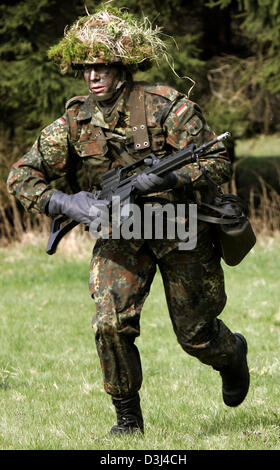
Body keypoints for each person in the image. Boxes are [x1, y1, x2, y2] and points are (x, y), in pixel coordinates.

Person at [7, 6, 249, 435]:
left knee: (196, 336)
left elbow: (216, 162)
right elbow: (21, 177)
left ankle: (231, 355)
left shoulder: (165, 106)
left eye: (102, 66)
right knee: (110, 323)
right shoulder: (75, 121)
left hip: (179, 227)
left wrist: (172, 174)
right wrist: (67, 203)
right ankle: (128, 421)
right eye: (87, 68)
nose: (93, 76)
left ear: (122, 68)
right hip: (122, 231)